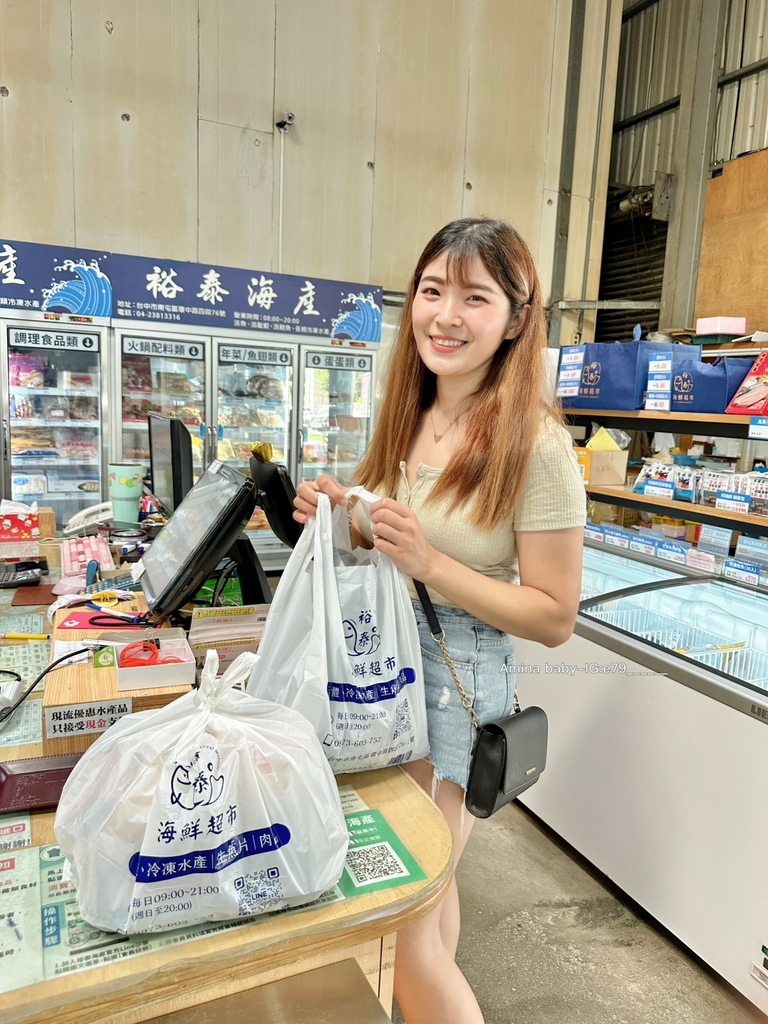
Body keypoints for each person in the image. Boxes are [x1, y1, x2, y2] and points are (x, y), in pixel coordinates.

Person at [293, 217, 586, 1024]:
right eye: (431, 291)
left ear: (517, 318)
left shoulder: (538, 444)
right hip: (382, 664)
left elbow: (556, 614)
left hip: (455, 684)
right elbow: (388, 532)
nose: (445, 315)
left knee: (403, 926)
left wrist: (433, 565)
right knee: (431, 892)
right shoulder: (408, 414)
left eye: (474, 297)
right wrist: (338, 510)